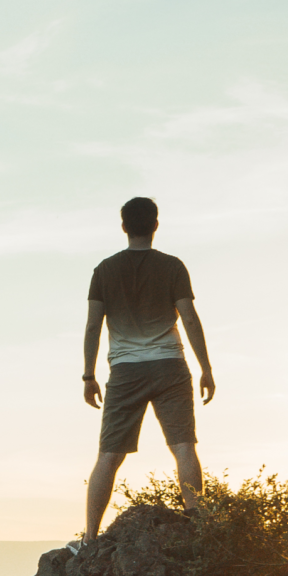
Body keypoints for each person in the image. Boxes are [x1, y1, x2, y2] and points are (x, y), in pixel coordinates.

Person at [74, 196, 213, 548]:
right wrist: (206, 368)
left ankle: (90, 540)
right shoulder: (172, 267)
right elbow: (190, 318)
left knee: (108, 455)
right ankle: (200, 530)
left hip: (125, 371)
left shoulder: (104, 271)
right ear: (155, 225)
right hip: (171, 366)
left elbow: (93, 327)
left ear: (124, 226)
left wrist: (88, 376)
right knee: (184, 446)